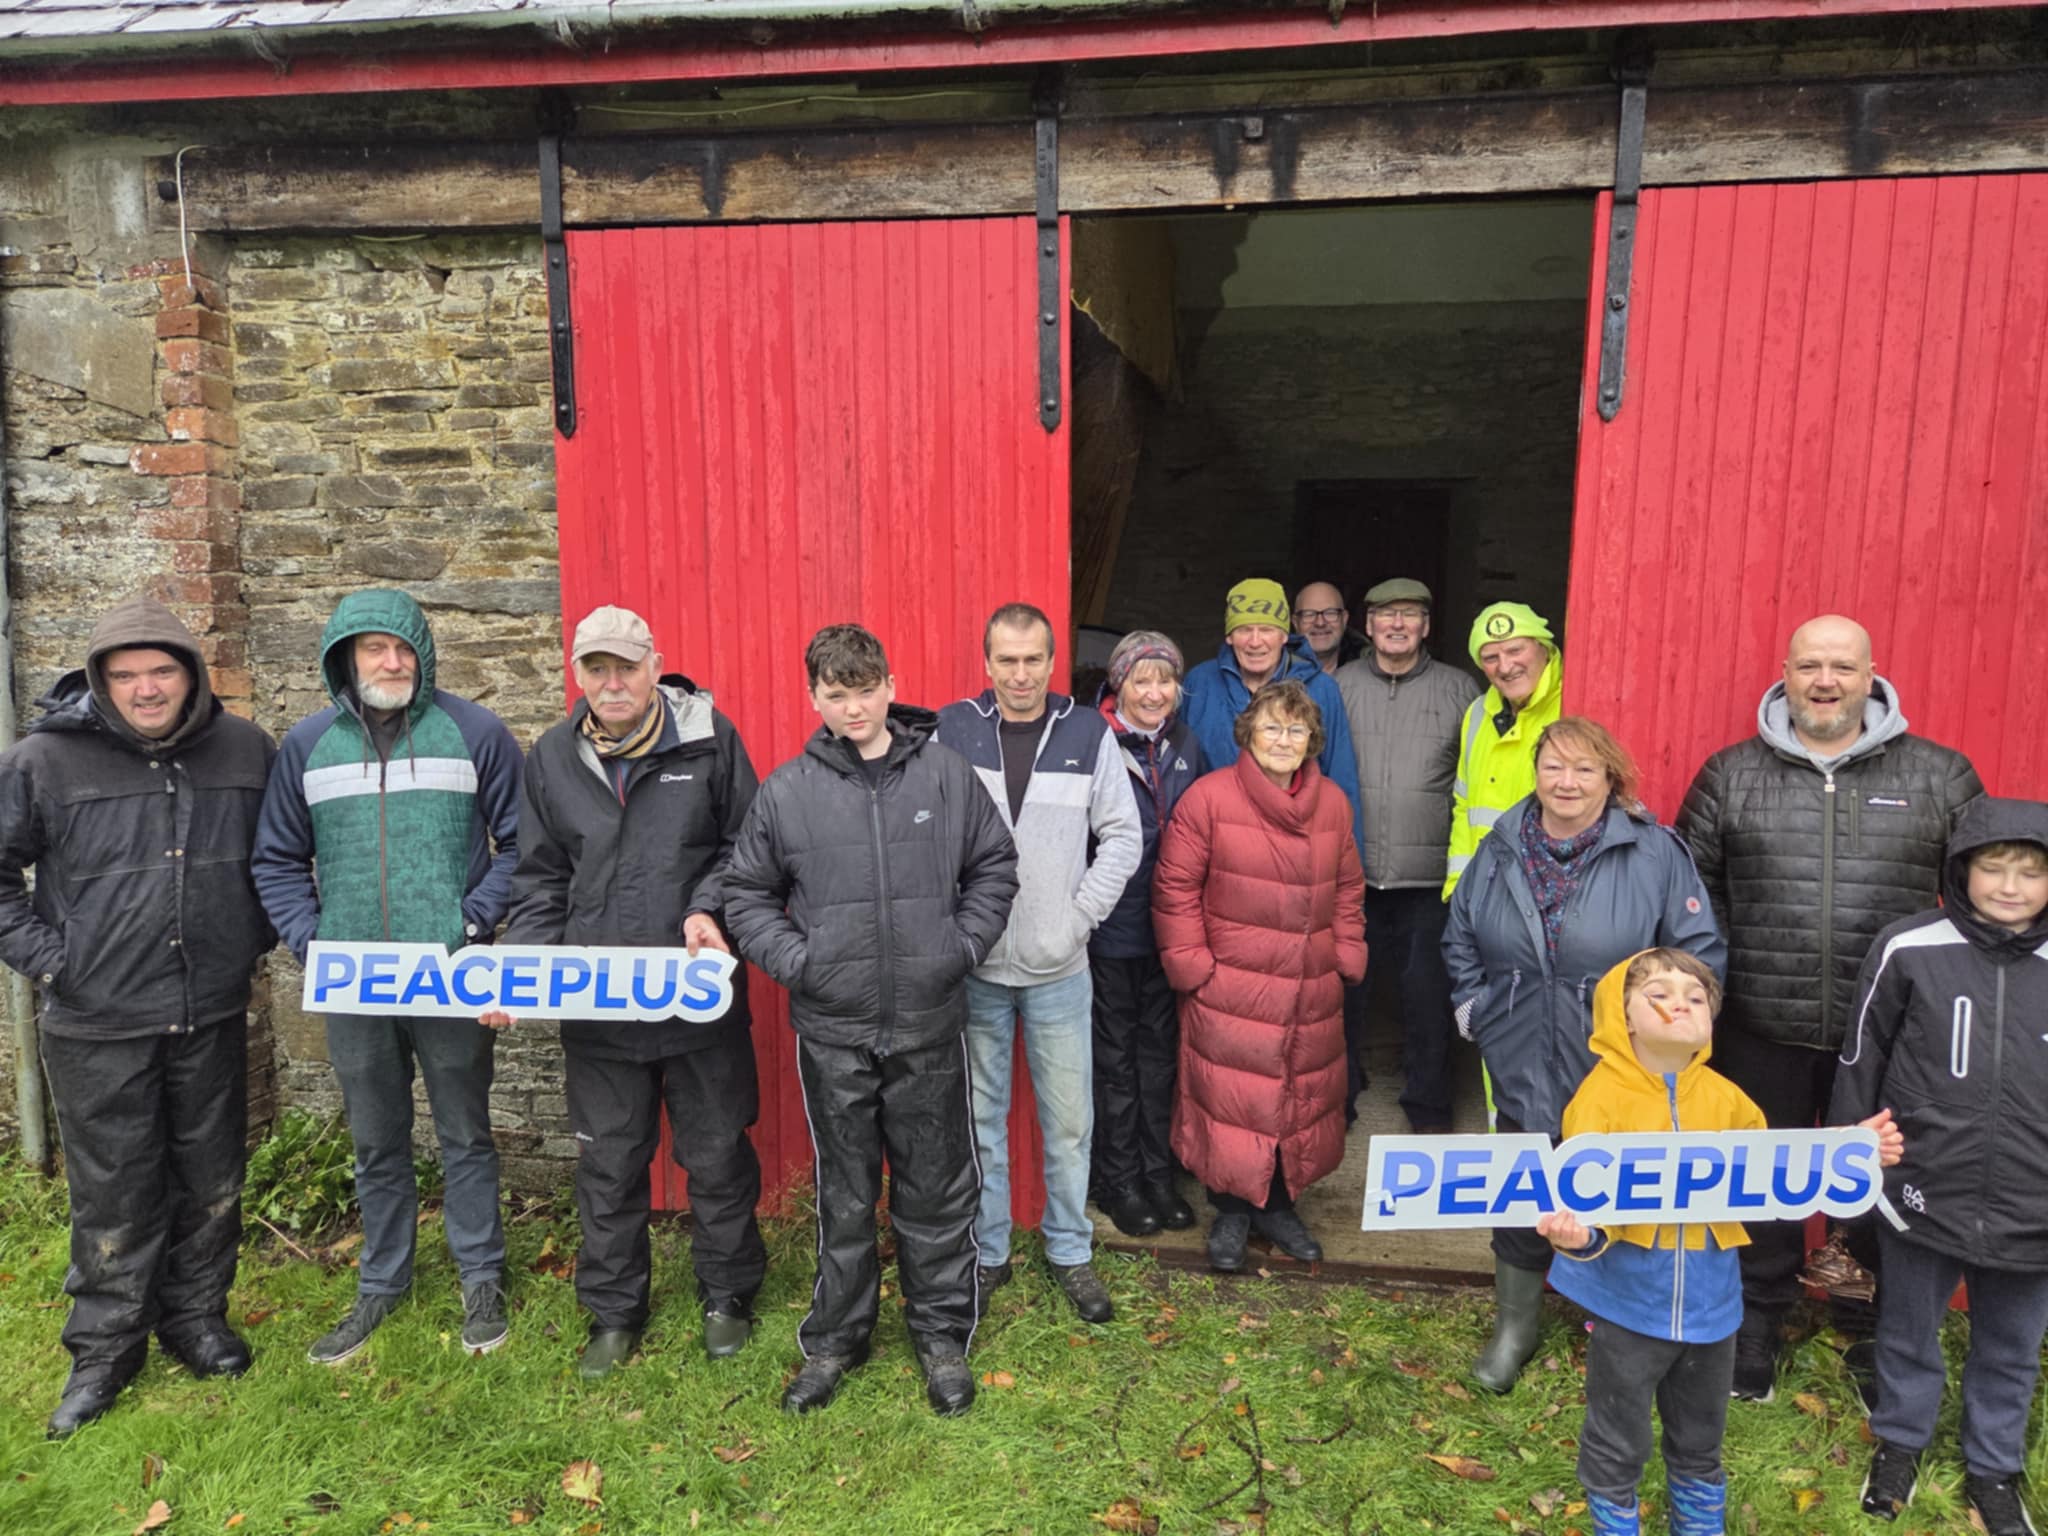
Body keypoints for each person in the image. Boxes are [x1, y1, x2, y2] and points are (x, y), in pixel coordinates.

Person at [1675, 613, 1982, 1401]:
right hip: (1760, 1024)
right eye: (1810, 665)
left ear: (1871, 674)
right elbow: (1692, 894)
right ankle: (1758, 1323)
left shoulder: (1939, 776)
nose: (1825, 681)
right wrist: (1707, 997)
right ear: (1785, 672)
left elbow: (1981, 898)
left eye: (1842, 667)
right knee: (1764, 1180)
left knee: (1876, 1183)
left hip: (1890, 1032)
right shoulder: (1729, 775)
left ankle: (1870, 1331)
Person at [721, 624, 1017, 1416]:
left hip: (927, 1023)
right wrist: (800, 962)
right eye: (835, 693)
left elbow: (995, 865)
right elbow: (745, 893)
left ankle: (942, 1338)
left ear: (890, 683)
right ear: (813, 697)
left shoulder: (947, 777)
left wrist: (958, 947)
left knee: (934, 1189)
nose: (853, 706)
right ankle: (836, 1342)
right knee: (845, 1194)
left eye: (865, 688)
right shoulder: (788, 792)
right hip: (835, 1030)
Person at [0, 596, 275, 1438]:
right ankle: (105, 1349)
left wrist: (249, 941)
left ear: (191, 675)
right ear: (99, 681)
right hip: (96, 1020)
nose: (146, 689)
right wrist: (55, 961)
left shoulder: (244, 749)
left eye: (162, 671)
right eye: (126, 676)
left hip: (210, 1010)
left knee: (211, 1177)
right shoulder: (44, 761)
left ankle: (195, 1319)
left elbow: (280, 856)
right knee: (114, 1192)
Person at [486, 606, 766, 1377]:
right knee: (608, 1164)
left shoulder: (710, 741)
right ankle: (614, 1311)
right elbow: (541, 879)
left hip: (695, 997)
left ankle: (728, 1293)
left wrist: (709, 909)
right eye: (596, 669)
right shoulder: (551, 757)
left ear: (655, 666)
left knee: (714, 1154)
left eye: (626, 667)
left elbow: (748, 845)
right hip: (598, 1005)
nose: (612, 683)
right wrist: (522, 969)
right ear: (577, 674)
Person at [1538, 948, 1902, 1536]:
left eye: (1696, 996)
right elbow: (1585, 1208)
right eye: (1658, 993)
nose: (1679, 1002)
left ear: (1713, 1017)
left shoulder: (1728, 1099)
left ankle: (1699, 1524)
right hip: (1630, 1308)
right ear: (1621, 1015)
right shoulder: (1597, 1101)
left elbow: (1781, 1166)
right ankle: (1613, 1520)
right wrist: (1576, 1238)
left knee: (1702, 1438)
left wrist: (1846, 1150)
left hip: (1715, 1309)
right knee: (1618, 1436)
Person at [252, 589, 523, 1365]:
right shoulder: (308, 745)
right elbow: (274, 857)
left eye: (404, 648)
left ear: (424, 653)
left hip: (448, 979)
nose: (392, 662)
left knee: (466, 1133)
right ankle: (382, 1282)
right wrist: (312, 941)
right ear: (346, 657)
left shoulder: (474, 732)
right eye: (374, 649)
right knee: (376, 1140)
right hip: (355, 985)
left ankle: (482, 1276)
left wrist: (470, 924)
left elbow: (521, 845)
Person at [1443, 716, 1723, 1392]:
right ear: (1535, 773)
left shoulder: (1654, 854)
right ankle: (1516, 1325)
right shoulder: (1501, 846)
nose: (1566, 782)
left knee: (1617, 1185)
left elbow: (1698, 953)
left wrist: (1661, 1039)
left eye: (1584, 769)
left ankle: (1617, 1321)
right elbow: (1459, 934)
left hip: (1617, 1060)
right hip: (1517, 1047)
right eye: (1553, 767)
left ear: (1610, 779)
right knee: (1522, 1185)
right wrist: (1475, 1009)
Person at [1829, 798, 2048, 1536]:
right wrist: (1853, 1149)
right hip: (1923, 1181)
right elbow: (1863, 1055)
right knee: (1907, 1327)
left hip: (2034, 1197)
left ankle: (1993, 1464)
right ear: (1962, 870)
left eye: (2031, 872)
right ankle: (1900, 1441)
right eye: (1994, 867)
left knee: (2010, 1345)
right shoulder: (1909, 945)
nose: (2011, 886)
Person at [936, 603, 1141, 1324]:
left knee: (1069, 1122)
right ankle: (988, 1254)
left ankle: (1069, 1251)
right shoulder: (953, 728)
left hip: (1060, 970)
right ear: (986, 662)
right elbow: (929, 834)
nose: (1020, 674)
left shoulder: (1087, 732)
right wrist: (957, 926)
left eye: (1033, 659)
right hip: (979, 970)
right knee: (981, 1119)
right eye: (1007, 659)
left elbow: (1122, 836)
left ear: (1053, 663)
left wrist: (1076, 919)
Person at [1152, 681, 1367, 1274]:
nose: (1284, 740)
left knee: (1298, 1094)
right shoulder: (1209, 799)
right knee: (1233, 1099)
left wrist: (1348, 950)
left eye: (1296, 730)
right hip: (1233, 985)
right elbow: (1175, 889)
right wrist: (1193, 965)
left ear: (1312, 741)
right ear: (1248, 733)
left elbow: (1349, 886)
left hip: (1309, 981)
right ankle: (1230, 1209)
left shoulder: (1333, 804)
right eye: (1272, 727)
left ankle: (1278, 1205)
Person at [1335, 577, 1480, 1132]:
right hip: (1353, 875)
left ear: (1426, 626)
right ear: (1367, 625)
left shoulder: (1459, 689)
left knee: (1428, 1000)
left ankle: (1429, 1107)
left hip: (1430, 879)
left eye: (1410, 615)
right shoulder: (1340, 685)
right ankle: (1339, 1101)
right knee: (1346, 999)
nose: (1397, 624)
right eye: (1386, 615)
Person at [1087, 631, 1206, 1238]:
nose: (1154, 692)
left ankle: (1160, 1177)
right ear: (1119, 686)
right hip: (1112, 928)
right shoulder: (1094, 741)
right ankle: (1120, 1181)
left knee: (1161, 1059)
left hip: (1173, 929)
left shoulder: (1187, 743)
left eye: (1165, 681)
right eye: (1142, 680)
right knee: (1114, 1060)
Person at [1180, 579, 1361, 830]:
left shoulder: (1320, 689)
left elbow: (1342, 779)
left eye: (1266, 629)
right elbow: (1178, 774)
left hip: (1294, 844)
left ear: (1284, 635)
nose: (1255, 642)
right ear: (1229, 636)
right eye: (1244, 630)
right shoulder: (1200, 683)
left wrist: (1351, 863)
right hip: (1212, 838)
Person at [1444, 601, 1563, 897]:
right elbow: (1464, 805)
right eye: (1490, 657)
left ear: (1543, 648)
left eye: (1515, 650)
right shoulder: (1477, 713)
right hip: (1481, 895)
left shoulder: (1575, 706)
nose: (1505, 666)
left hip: (1545, 898)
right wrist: (1459, 888)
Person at [1293, 580, 1364, 675]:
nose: (1320, 623)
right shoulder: (1276, 671)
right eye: (1309, 614)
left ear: (1344, 619)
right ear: (1295, 622)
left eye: (1330, 613)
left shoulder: (1365, 668)